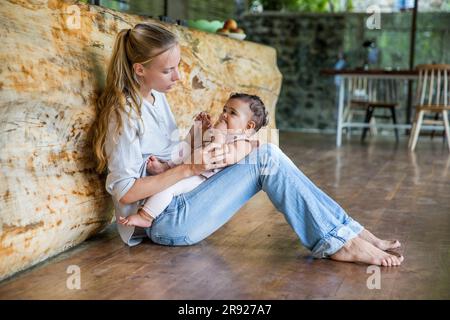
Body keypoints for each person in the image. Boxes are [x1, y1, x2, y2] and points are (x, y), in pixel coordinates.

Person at [93, 22, 404, 267]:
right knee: (266, 154)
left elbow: (173, 156)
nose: (178, 76)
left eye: (177, 65)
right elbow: (125, 191)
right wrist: (190, 166)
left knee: (264, 151)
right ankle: (343, 240)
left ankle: (350, 232)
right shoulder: (123, 116)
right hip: (162, 220)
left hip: (183, 200)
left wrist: (199, 150)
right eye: (167, 70)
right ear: (139, 69)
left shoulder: (156, 98)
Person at [117, 93, 267, 228]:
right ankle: (165, 168)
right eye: (224, 110)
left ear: (249, 127)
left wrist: (218, 136)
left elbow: (219, 156)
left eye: (232, 113)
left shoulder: (244, 144)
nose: (224, 115)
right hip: (196, 170)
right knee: (187, 150)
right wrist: (200, 129)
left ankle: (146, 216)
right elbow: (195, 149)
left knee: (170, 186)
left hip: (204, 182)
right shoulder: (221, 133)